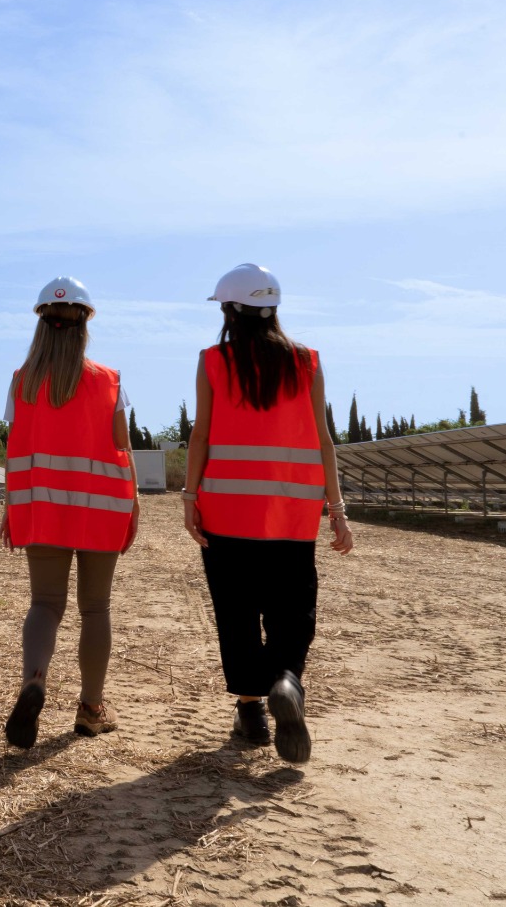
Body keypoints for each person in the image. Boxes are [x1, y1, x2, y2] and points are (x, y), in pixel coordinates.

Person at [181, 263, 353, 764]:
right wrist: (337, 511)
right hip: (291, 513)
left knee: (236, 612)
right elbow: (324, 440)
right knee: (291, 609)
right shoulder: (308, 361)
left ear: (232, 310)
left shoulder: (213, 360)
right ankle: (286, 679)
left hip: (226, 511)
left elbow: (201, 435)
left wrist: (190, 498)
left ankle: (252, 714)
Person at [1, 276, 139, 749]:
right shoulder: (109, 380)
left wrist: (11, 508)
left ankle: (34, 682)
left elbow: (16, 448)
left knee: (44, 605)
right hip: (102, 509)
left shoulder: (21, 383)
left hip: (40, 507)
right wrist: (134, 504)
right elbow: (123, 447)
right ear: (85, 324)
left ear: (42, 323)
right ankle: (91, 708)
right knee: (95, 607)